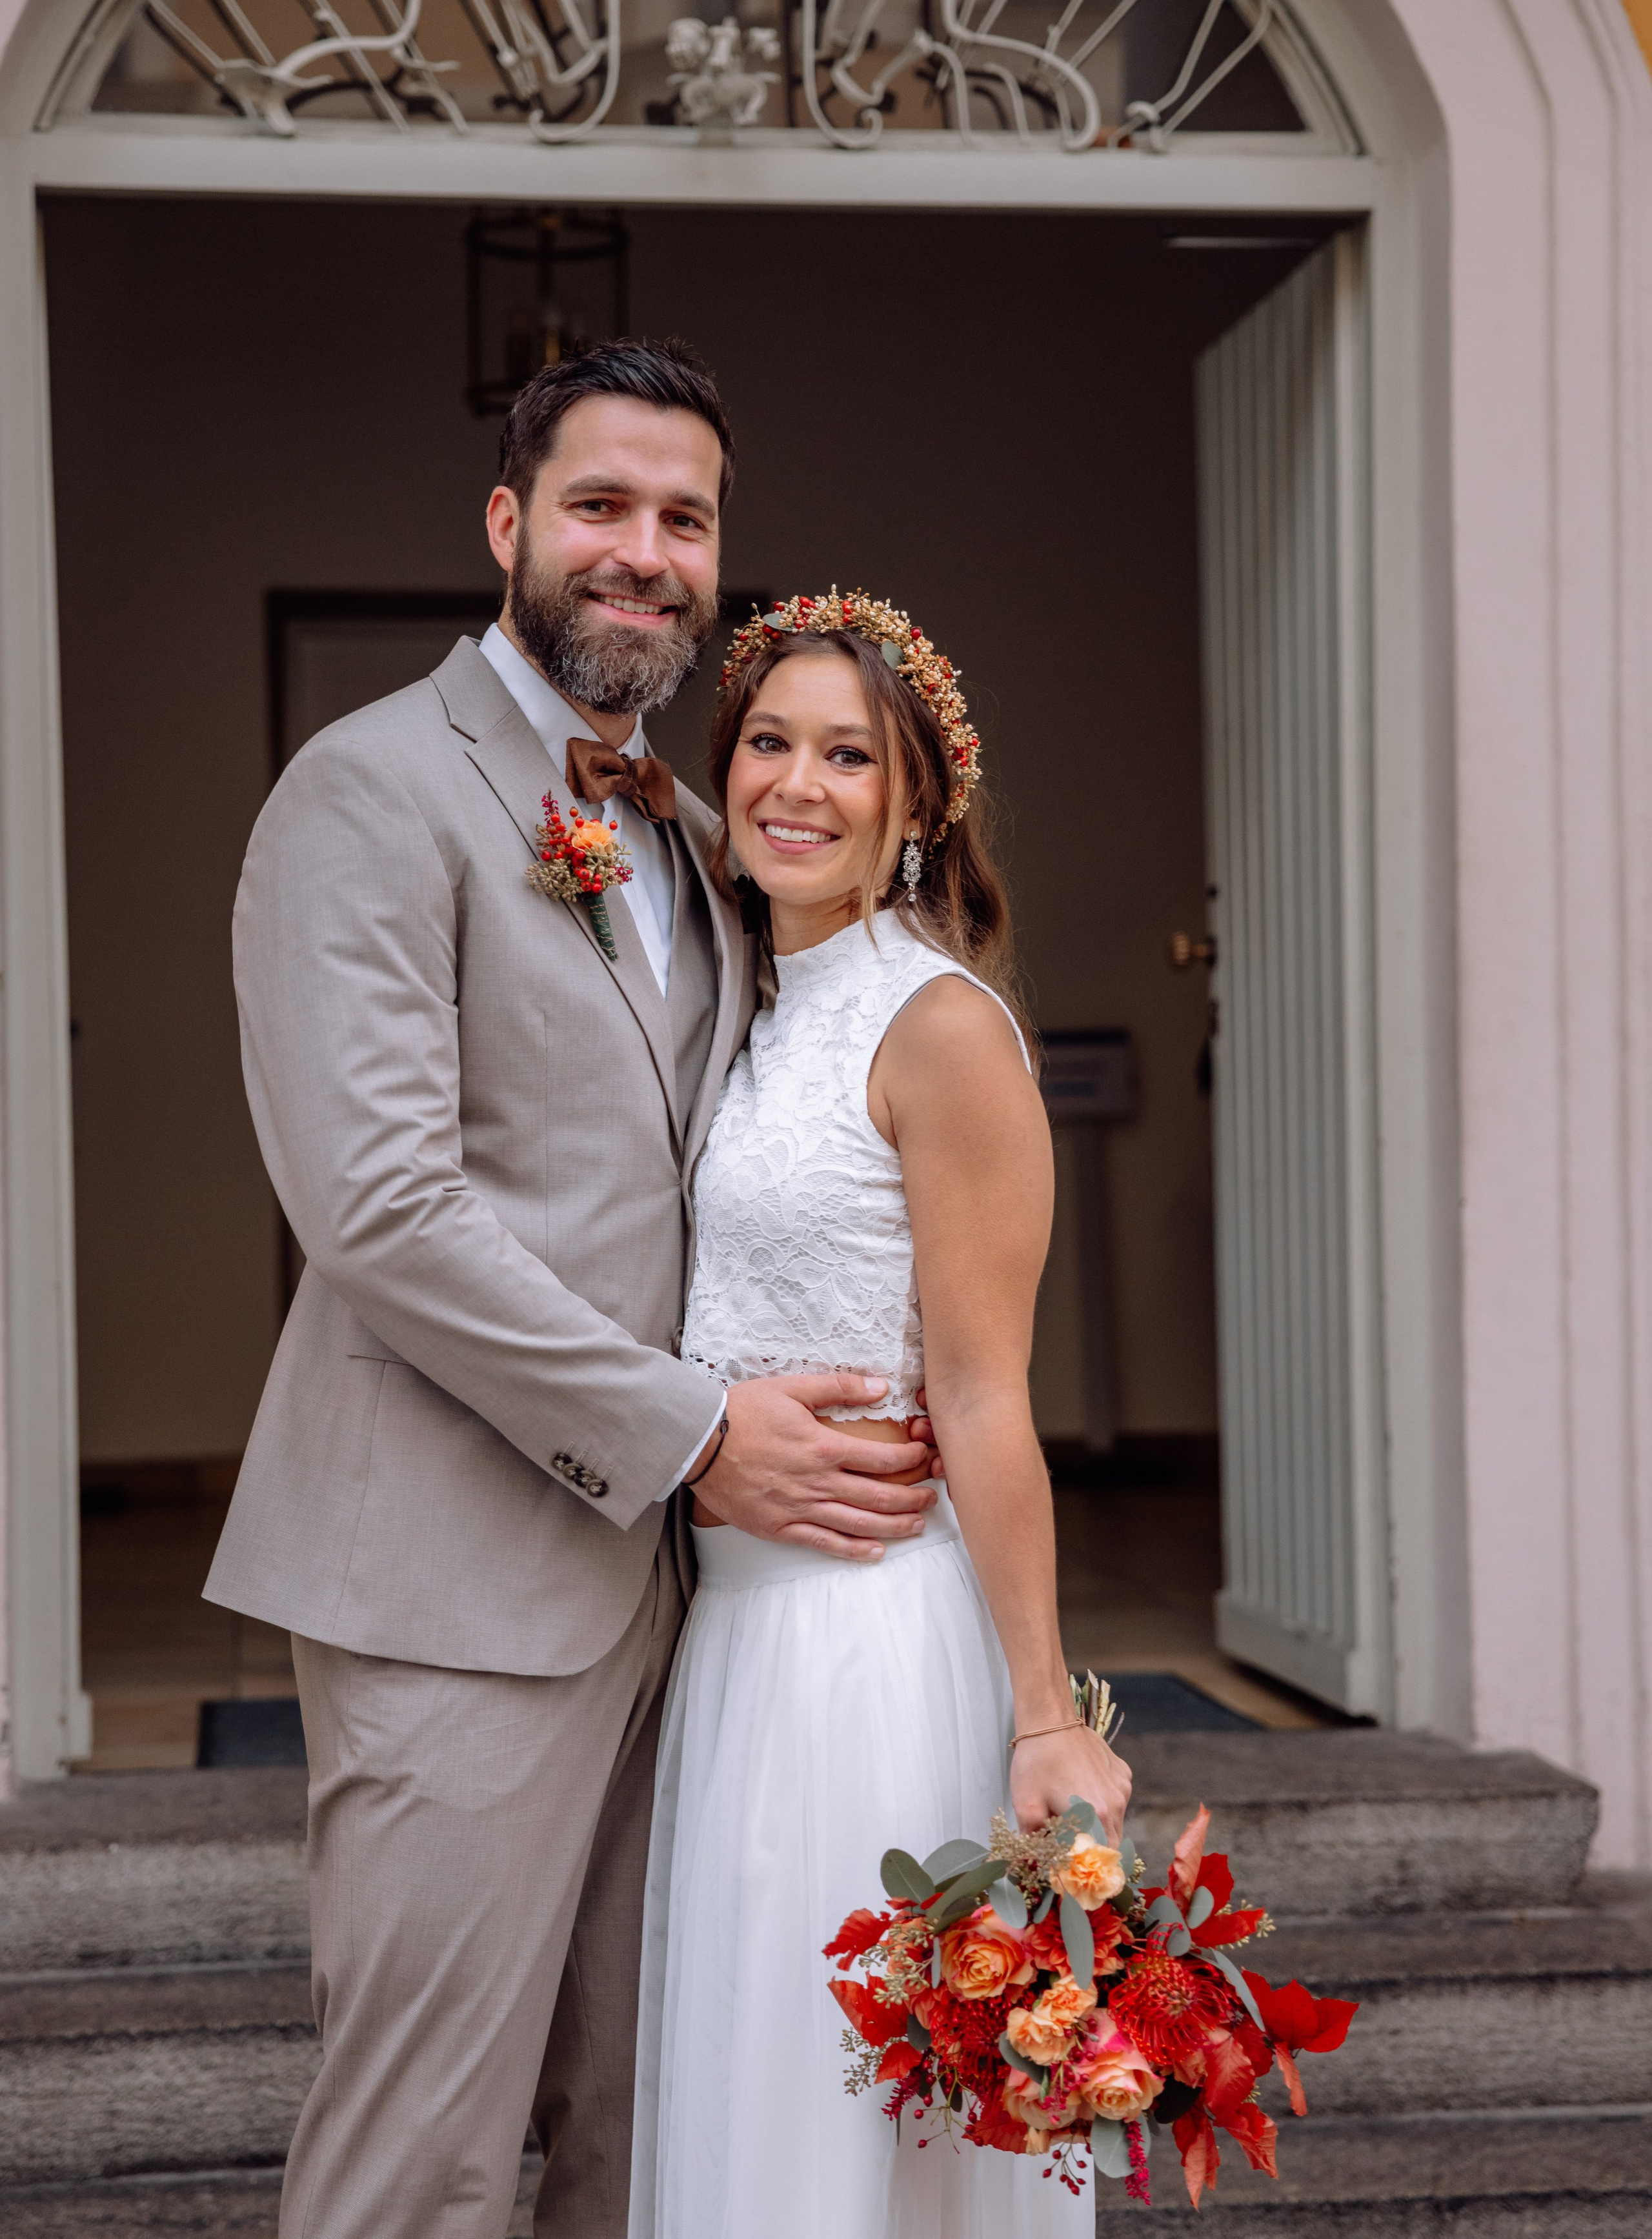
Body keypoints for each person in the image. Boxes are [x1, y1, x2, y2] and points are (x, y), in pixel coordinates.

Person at [203, 344, 940, 2239]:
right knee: (427, 2147)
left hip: (687, 1609)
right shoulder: (368, 790)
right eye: (603, 505)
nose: (647, 551)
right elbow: (377, 1201)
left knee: (639, 2133)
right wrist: (696, 1430)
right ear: (511, 524)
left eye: (685, 519)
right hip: (454, 1579)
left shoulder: (694, 834)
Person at [628, 591, 1133, 2237]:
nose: (797, 782)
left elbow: (987, 1394)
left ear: (917, 806)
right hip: (743, 1636)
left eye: (848, 754)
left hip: (868, 1642)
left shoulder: (939, 1028)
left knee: (861, 2129)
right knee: (759, 2095)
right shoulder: (762, 1010)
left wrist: (1047, 1711)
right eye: (767, 741)